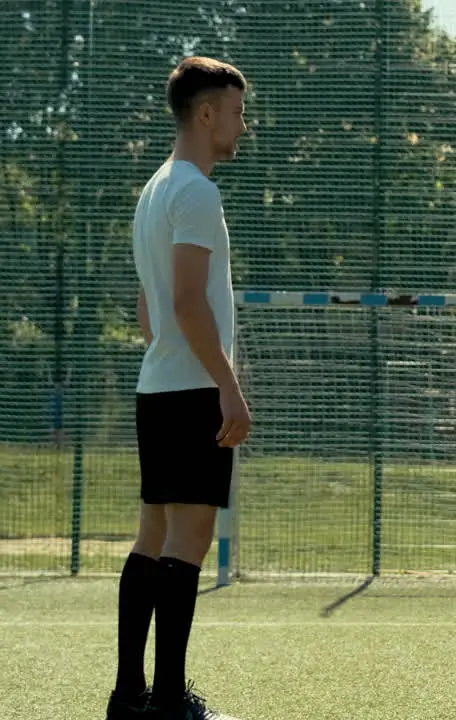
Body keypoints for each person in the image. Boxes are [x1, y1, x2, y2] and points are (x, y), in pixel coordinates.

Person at [108, 56, 250, 720]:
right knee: (187, 545)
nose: (241, 126)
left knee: (151, 537)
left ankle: (128, 695)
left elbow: (148, 303)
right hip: (193, 391)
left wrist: (172, 353)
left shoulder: (152, 189)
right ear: (206, 114)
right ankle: (168, 702)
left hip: (157, 386)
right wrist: (228, 386)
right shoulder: (196, 191)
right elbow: (190, 304)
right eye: (237, 112)